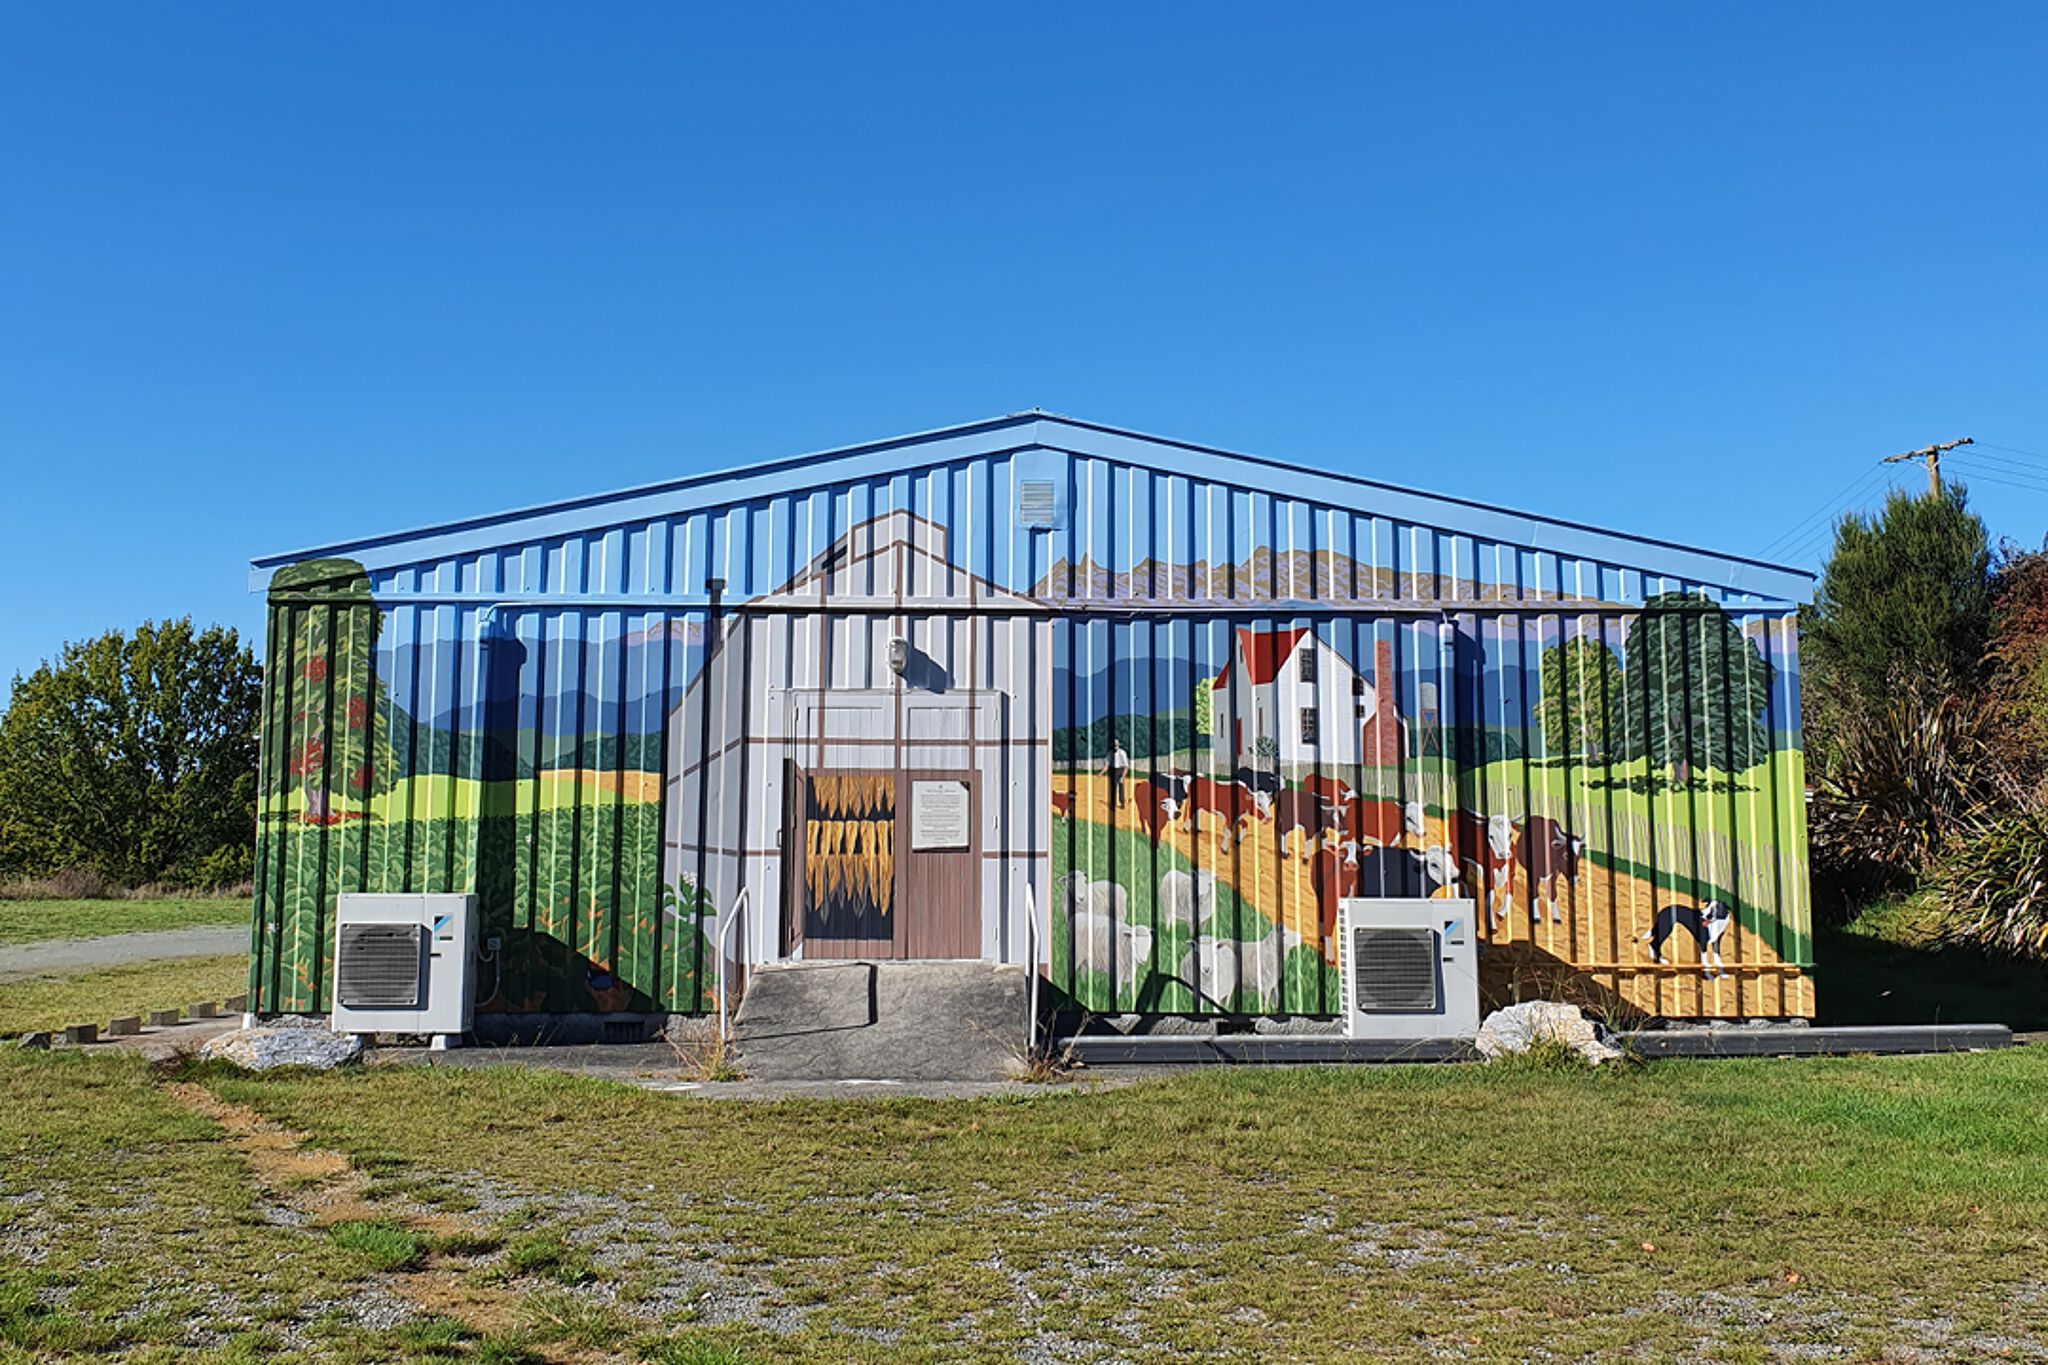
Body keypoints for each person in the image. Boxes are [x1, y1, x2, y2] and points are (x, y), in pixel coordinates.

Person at [1107, 737, 1129, 809]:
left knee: (1121, 787)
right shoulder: (1110, 753)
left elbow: (1126, 766)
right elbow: (1107, 764)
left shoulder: (1122, 753)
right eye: (1114, 745)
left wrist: (1122, 777)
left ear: (1118, 745)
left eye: (1116, 745)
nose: (1115, 746)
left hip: (1120, 770)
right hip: (1113, 770)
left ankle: (1122, 802)